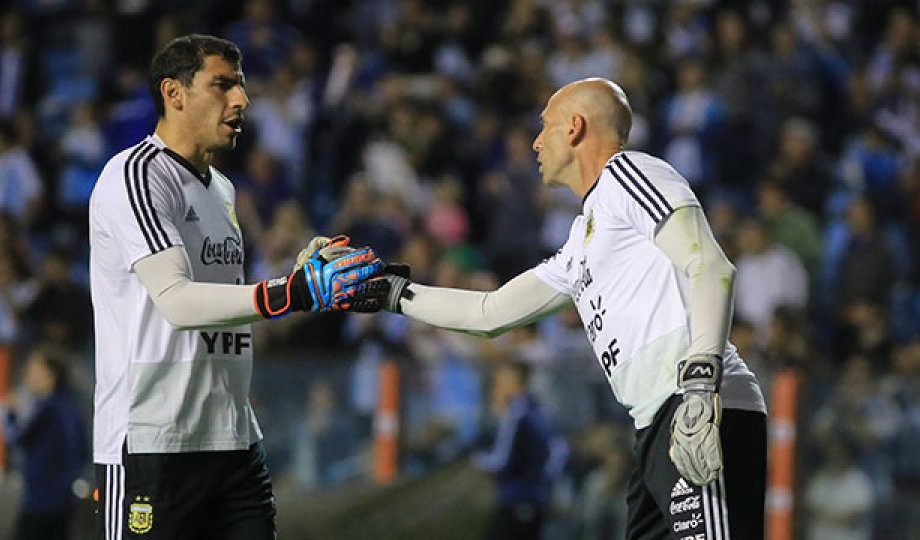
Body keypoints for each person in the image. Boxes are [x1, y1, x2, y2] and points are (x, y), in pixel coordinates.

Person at [369, 78, 768, 538]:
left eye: (545, 127)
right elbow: (489, 313)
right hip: (657, 423)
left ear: (575, 127)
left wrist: (701, 384)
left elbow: (711, 266)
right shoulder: (582, 239)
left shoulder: (629, 175)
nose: (536, 141)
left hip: (697, 406)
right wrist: (392, 294)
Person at [88, 34, 385, 540]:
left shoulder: (222, 188)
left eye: (241, 86)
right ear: (174, 93)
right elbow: (179, 302)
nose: (241, 100)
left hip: (233, 440)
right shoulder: (135, 175)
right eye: (222, 85)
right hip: (153, 446)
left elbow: (225, 300)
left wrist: (296, 276)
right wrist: (289, 292)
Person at [473, 361, 567, 540]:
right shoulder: (538, 410)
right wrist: (546, 486)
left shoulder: (516, 414)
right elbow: (560, 450)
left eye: (498, 381)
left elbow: (500, 460)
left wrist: (476, 461)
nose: (495, 387)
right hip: (534, 501)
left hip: (516, 499)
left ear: (512, 381)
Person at [5, 343, 87, 540]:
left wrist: (11, 415)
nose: (28, 373)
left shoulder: (48, 409)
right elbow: (83, 449)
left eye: (34, 367)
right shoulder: (71, 407)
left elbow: (20, 438)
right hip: (64, 498)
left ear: (50, 373)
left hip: (42, 498)